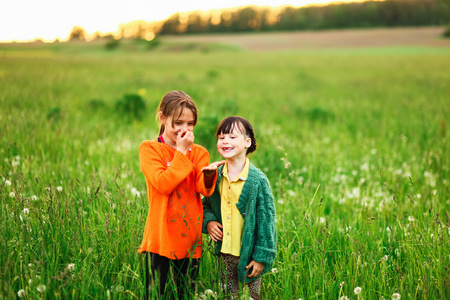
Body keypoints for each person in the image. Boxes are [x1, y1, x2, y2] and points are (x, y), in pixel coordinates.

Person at [138, 90, 224, 299]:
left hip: (189, 239)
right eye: (178, 123)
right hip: (159, 236)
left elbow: (202, 189)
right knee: (154, 293)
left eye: (190, 124)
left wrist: (210, 175)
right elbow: (163, 184)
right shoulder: (150, 149)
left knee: (185, 294)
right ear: (162, 117)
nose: (184, 129)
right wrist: (182, 152)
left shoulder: (200, 153)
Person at [202, 116, 277, 300]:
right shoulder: (216, 175)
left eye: (232, 137)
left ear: (247, 142)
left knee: (252, 296)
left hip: (250, 254)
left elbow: (266, 221)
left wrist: (261, 257)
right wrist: (210, 222)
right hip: (225, 254)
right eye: (221, 137)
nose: (225, 141)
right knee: (228, 295)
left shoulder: (258, 181)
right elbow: (204, 205)